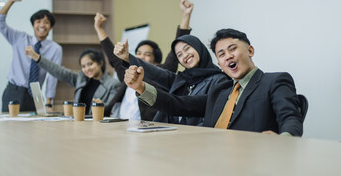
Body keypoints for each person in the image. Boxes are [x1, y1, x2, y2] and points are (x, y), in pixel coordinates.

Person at [124, 28, 303, 136]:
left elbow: (290, 118)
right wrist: (140, 87)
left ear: (250, 50)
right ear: (219, 64)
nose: (228, 56)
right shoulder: (220, 91)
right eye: (221, 54)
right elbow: (178, 104)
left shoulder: (275, 81)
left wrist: (283, 139)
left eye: (232, 49)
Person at [114, 0, 230, 126]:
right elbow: (156, 73)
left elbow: (184, 106)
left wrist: (141, 88)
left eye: (187, 49)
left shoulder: (220, 81)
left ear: (199, 48)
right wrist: (127, 57)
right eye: (179, 55)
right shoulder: (182, 79)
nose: (185, 55)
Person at [94, 9, 180, 120]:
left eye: (147, 54)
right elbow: (113, 57)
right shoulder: (128, 73)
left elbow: (174, 56)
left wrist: (186, 16)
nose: (141, 57)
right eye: (138, 53)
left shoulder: (161, 76)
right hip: (120, 125)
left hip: (146, 128)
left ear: (156, 60)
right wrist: (99, 28)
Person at [0, 0, 63, 112]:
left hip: (35, 94)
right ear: (33, 25)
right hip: (14, 90)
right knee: (8, 128)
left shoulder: (55, 48)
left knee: (34, 129)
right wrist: (10, 1)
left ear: (51, 27)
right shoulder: (19, 38)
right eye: (38, 22)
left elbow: (53, 76)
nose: (42, 25)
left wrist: (48, 103)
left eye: (46, 22)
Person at [25, 47, 120, 114]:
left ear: (100, 63)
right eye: (83, 66)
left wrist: (101, 106)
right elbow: (60, 71)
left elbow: (112, 110)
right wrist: (37, 57)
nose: (87, 69)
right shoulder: (81, 78)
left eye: (90, 64)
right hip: (78, 124)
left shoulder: (113, 84)